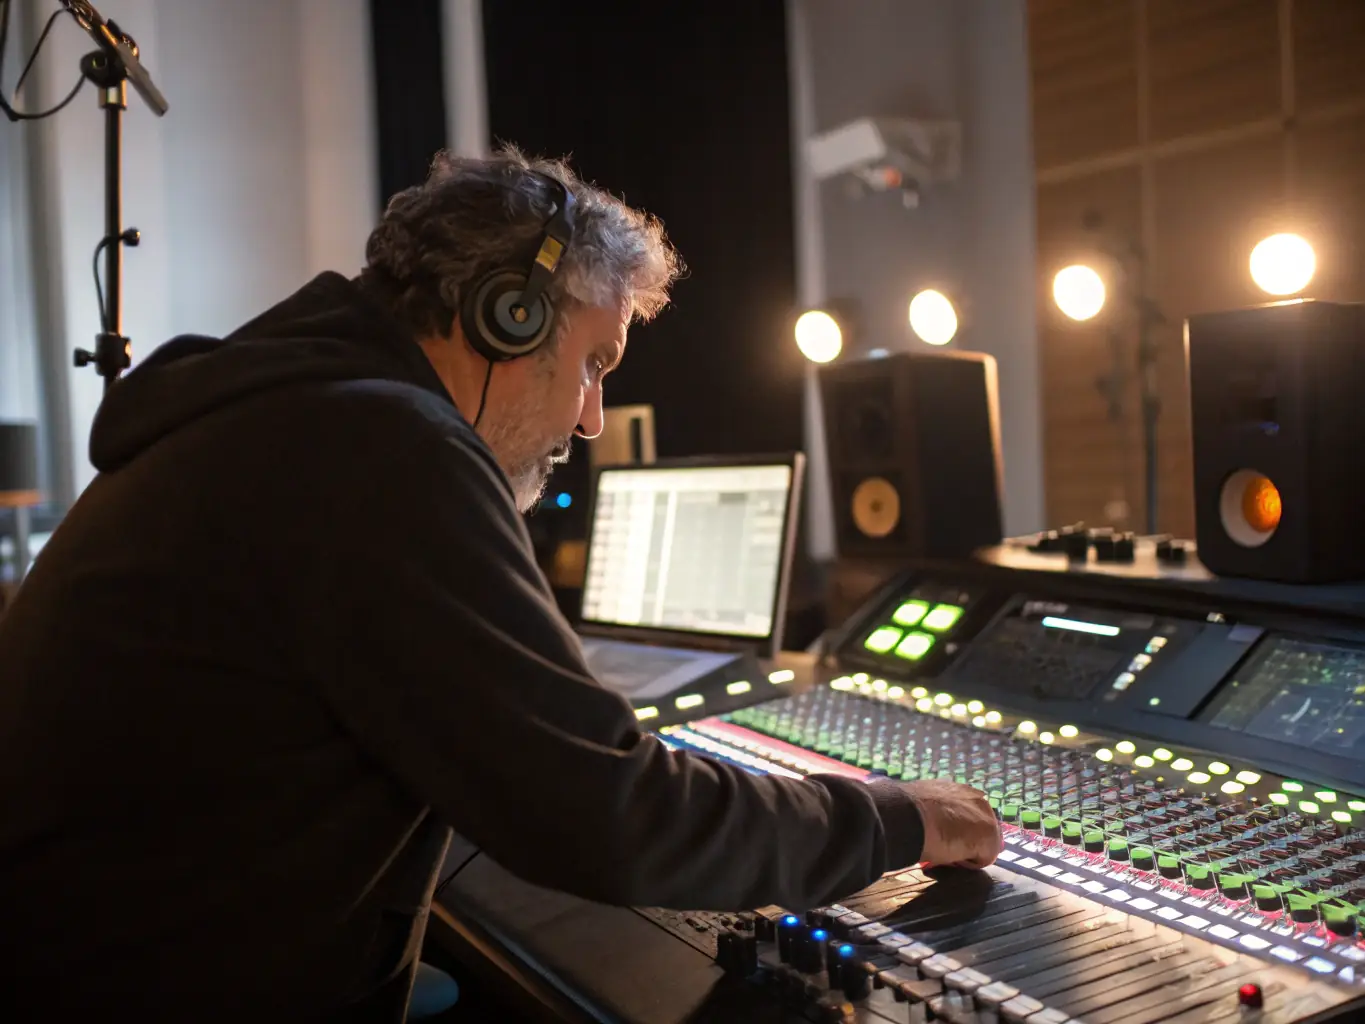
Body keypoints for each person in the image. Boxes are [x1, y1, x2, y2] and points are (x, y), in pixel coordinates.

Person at [0, 147, 1001, 1022]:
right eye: (594, 362)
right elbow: (607, 813)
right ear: (509, 316)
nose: (592, 418)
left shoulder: (287, 413)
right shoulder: (384, 450)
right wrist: (891, 817)